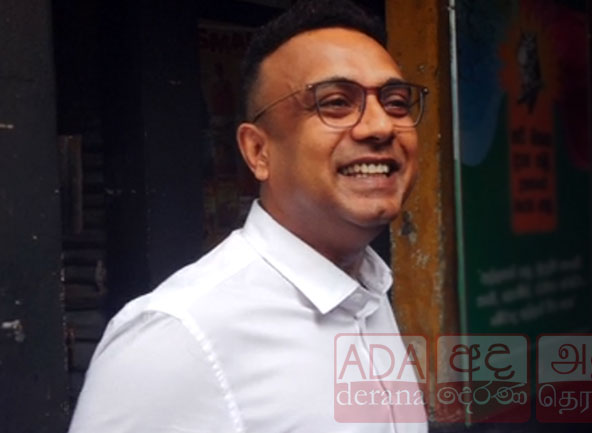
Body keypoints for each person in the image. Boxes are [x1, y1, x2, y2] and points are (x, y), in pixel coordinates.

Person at [68, 0, 429, 432]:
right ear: (258, 151)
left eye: (395, 102)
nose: (381, 126)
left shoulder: (368, 295)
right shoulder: (178, 337)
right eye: (335, 102)